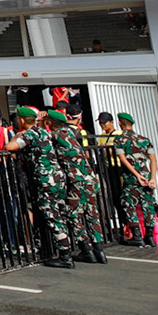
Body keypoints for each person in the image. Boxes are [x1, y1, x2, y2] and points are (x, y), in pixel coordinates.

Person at [5, 106, 72, 268]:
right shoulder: (43, 131)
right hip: (57, 176)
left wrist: (16, 137)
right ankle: (65, 248)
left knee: (51, 215)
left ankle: (65, 255)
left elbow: (10, 148)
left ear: (21, 120)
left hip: (45, 178)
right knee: (59, 213)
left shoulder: (29, 134)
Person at [50, 111, 104, 264]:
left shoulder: (58, 134)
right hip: (90, 179)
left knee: (73, 215)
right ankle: (99, 250)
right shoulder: (70, 133)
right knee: (92, 214)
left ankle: (86, 249)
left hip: (78, 181)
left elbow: (38, 136)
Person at [112, 113, 158, 246]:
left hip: (131, 178)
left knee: (128, 204)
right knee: (148, 205)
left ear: (120, 123)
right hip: (147, 175)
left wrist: (136, 175)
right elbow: (153, 160)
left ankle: (137, 235)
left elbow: (123, 159)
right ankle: (150, 236)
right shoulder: (144, 139)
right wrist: (153, 177)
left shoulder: (119, 140)